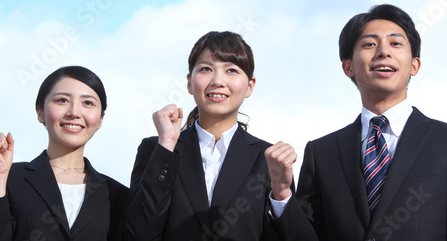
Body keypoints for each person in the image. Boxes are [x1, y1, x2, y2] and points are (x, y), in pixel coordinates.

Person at [267, 4, 447, 240]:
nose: (383, 52)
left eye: (395, 43)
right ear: (348, 66)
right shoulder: (322, 153)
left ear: (414, 65)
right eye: (369, 44)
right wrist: (281, 194)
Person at [125, 31, 316, 241]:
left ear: (249, 86)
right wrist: (166, 146)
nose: (218, 80)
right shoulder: (158, 150)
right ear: (189, 83)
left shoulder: (268, 159)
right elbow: (137, 234)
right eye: (206, 69)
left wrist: (281, 196)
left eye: (231, 70)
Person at [0, 66, 129, 241]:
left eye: (87, 103)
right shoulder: (8, 178)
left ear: (100, 120)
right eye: (62, 100)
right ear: (40, 112)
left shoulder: (118, 195)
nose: (74, 113)